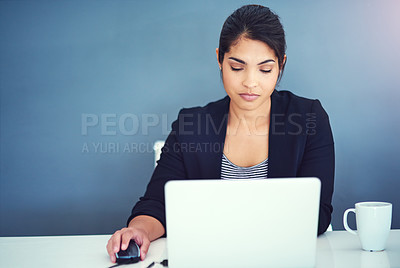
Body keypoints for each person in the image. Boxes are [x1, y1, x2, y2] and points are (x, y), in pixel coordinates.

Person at [107, 4, 334, 263]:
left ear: (281, 64)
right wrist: (139, 230)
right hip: (209, 259)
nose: (250, 82)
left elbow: (318, 214)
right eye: (237, 67)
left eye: (265, 69)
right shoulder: (191, 125)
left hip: (282, 259)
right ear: (219, 59)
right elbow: (157, 204)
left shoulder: (309, 119)